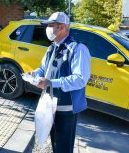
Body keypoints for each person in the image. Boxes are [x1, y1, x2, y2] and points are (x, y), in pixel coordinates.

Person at [31, 12, 91, 153]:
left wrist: (51, 82)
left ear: (62, 27)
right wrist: (34, 74)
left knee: (64, 147)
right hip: (50, 106)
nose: (48, 29)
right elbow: (43, 69)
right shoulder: (52, 47)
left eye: (51, 26)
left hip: (66, 108)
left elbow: (80, 79)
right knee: (55, 144)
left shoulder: (78, 49)